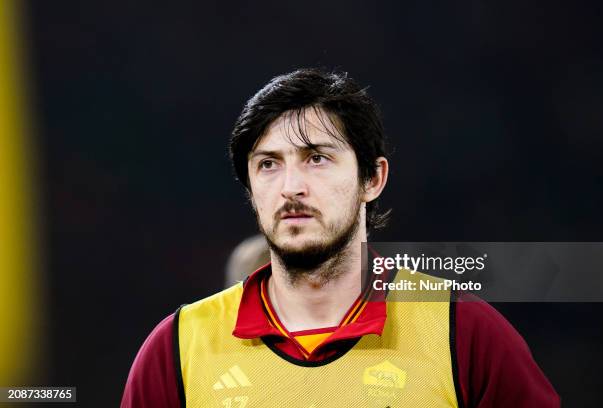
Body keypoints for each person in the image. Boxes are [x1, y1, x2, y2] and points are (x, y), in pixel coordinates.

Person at [121, 68, 560, 407]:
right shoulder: (176, 347)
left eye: (317, 158)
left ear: (372, 178)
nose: (291, 186)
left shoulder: (463, 332)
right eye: (268, 164)